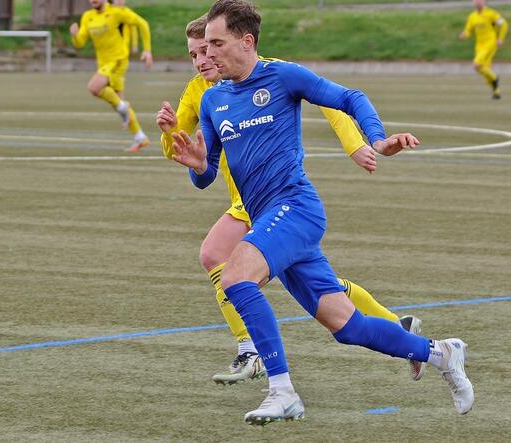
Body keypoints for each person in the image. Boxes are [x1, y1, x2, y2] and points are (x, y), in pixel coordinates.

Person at [172, 0, 473, 425]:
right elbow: (207, 176)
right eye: (204, 46)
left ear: (247, 41)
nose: (208, 53)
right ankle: (442, 353)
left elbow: (350, 97)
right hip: (268, 219)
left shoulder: (282, 76)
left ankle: (282, 391)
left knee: (237, 275)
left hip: (295, 207)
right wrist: (198, 164)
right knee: (346, 326)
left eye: (217, 43)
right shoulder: (213, 100)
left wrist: (377, 139)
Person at [157, 14, 422, 385]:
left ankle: (254, 353)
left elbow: (334, 100)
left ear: (235, 45)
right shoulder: (202, 93)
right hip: (247, 199)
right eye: (194, 55)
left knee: (224, 263)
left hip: (279, 199)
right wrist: (172, 138)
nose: (203, 60)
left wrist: (358, 145)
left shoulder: (269, 75)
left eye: (209, 49)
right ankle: (400, 329)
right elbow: (193, 157)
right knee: (308, 284)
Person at [71, 0, 153, 152]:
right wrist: (75, 36)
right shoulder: (88, 16)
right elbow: (80, 42)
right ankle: (140, 137)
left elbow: (142, 24)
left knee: (94, 87)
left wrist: (147, 50)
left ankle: (123, 107)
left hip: (117, 61)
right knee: (116, 100)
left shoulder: (116, 12)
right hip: (103, 63)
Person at [460, 0, 507, 99]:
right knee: (484, 70)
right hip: (479, 46)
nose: (477, 2)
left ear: (484, 2)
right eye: (475, 0)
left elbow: (504, 25)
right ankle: (496, 92)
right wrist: (465, 35)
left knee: (476, 65)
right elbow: (468, 29)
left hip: (490, 43)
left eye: (480, 0)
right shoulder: (472, 16)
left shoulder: (491, 13)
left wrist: (500, 38)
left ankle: (495, 78)